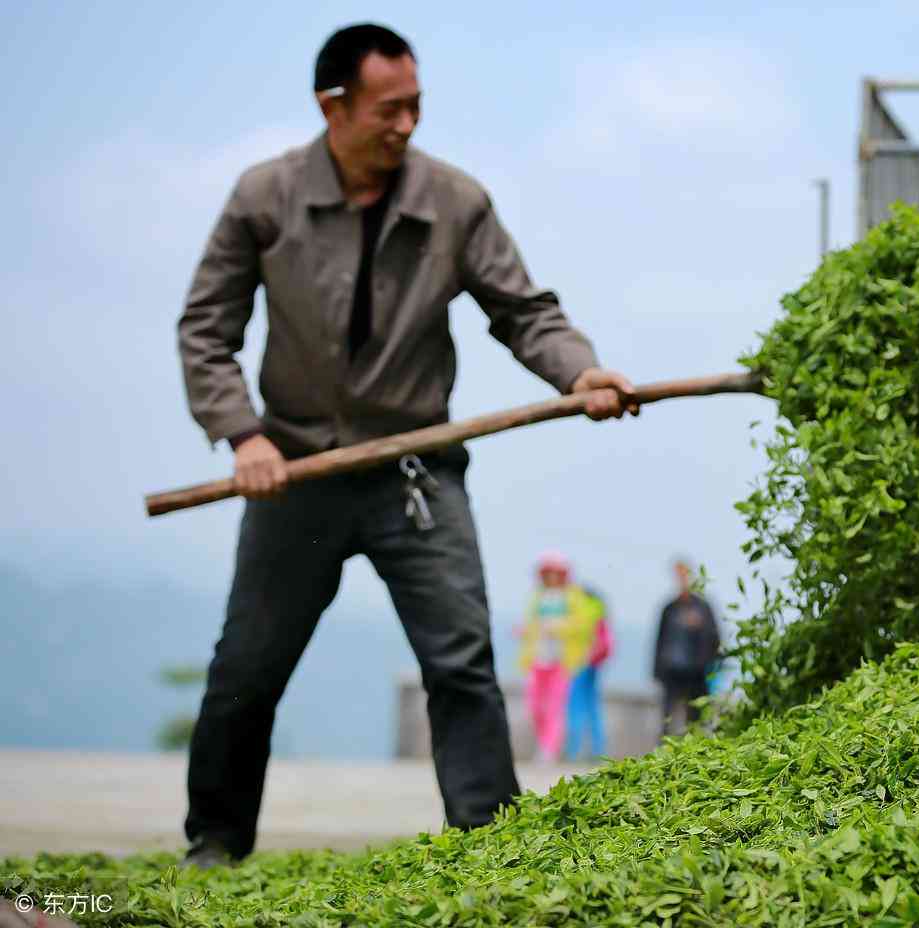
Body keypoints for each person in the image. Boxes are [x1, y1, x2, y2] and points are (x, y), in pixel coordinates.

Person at [176, 24, 638, 869]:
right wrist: (242, 434)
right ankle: (215, 840)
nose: (406, 124)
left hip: (415, 472)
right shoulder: (265, 197)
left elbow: (523, 310)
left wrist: (579, 373)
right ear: (334, 106)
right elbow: (207, 330)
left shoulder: (453, 201)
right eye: (389, 109)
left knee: (461, 660)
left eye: (417, 106)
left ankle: (492, 849)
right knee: (246, 666)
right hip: (295, 474)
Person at [518, 552, 600, 762]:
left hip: (562, 661)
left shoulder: (574, 596)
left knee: (556, 707)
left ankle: (549, 749)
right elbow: (532, 623)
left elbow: (585, 624)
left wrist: (560, 627)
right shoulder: (538, 596)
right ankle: (544, 742)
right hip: (538, 659)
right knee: (535, 705)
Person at [653, 559, 721, 736]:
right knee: (668, 717)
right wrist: (657, 671)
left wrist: (707, 665)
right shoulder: (670, 608)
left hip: (696, 673)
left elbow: (714, 638)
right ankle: (664, 751)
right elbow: (660, 640)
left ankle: (693, 749)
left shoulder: (703, 608)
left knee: (695, 718)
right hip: (672, 671)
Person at [563, 585, 612, 761]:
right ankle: (598, 750)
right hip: (594, 664)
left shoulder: (583, 610)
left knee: (576, 707)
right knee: (592, 707)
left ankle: (573, 751)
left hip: (581, 663)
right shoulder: (599, 609)